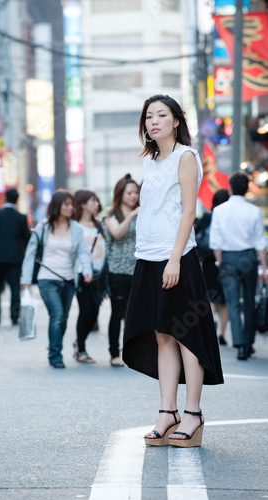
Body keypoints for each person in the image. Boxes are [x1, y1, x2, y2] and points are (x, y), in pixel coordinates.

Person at [123, 94, 223, 448]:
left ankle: (192, 413)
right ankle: (168, 411)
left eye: (161, 115)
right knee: (162, 334)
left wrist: (176, 258)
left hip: (176, 256)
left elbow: (188, 212)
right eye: (149, 116)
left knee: (185, 334)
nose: (154, 121)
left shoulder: (186, 156)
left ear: (176, 121)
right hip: (148, 257)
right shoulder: (152, 160)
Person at [21, 189, 93, 369]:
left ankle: (54, 347)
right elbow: (30, 255)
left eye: (71, 205)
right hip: (47, 279)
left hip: (68, 280)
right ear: (57, 205)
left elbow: (83, 252)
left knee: (63, 318)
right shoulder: (43, 227)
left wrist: (87, 269)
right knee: (58, 316)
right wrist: (26, 279)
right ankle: (55, 355)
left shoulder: (75, 228)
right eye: (67, 204)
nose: (70, 207)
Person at [210, 173, 267, 360]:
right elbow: (260, 242)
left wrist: (220, 262)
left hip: (228, 258)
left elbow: (215, 241)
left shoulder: (220, 211)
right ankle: (249, 344)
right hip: (249, 257)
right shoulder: (253, 211)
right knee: (249, 301)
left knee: (233, 303)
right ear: (248, 188)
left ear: (230, 188)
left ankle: (240, 344)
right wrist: (264, 268)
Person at [103, 174, 140, 367]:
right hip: (117, 270)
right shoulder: (111, 216)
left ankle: (133, 352)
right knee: (117, 312)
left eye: (136, 192)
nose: (134, 196)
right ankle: (114, 352)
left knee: (135, 313)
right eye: (129, 192)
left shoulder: (144, 212)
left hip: (138, 270)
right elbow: (117, 233)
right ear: (120, 194)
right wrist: (132, 215)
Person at [0, 188, 30, 325]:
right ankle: (15, 317)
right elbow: (27, 238)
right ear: (17, 200)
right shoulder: (21, 217)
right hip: (15, 257)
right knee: (14, 287)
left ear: (5, 198)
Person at [73, 189, 106, 364]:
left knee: (94, 312)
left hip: (99, 277)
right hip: (81, 275)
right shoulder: (75, 226)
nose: (96, 204)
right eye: (92, 201)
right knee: (85, 310)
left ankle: (79, 342)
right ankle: (81, 349)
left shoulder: (100, 225)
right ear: (83, 205)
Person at [195, 189, 230, 345]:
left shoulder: (208, 216)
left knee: (209, 297)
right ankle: (222, 332)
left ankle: (212, 326)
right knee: (225, 299)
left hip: (209, 261)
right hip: (226, 259)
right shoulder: (229, 217)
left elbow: (196, 233)